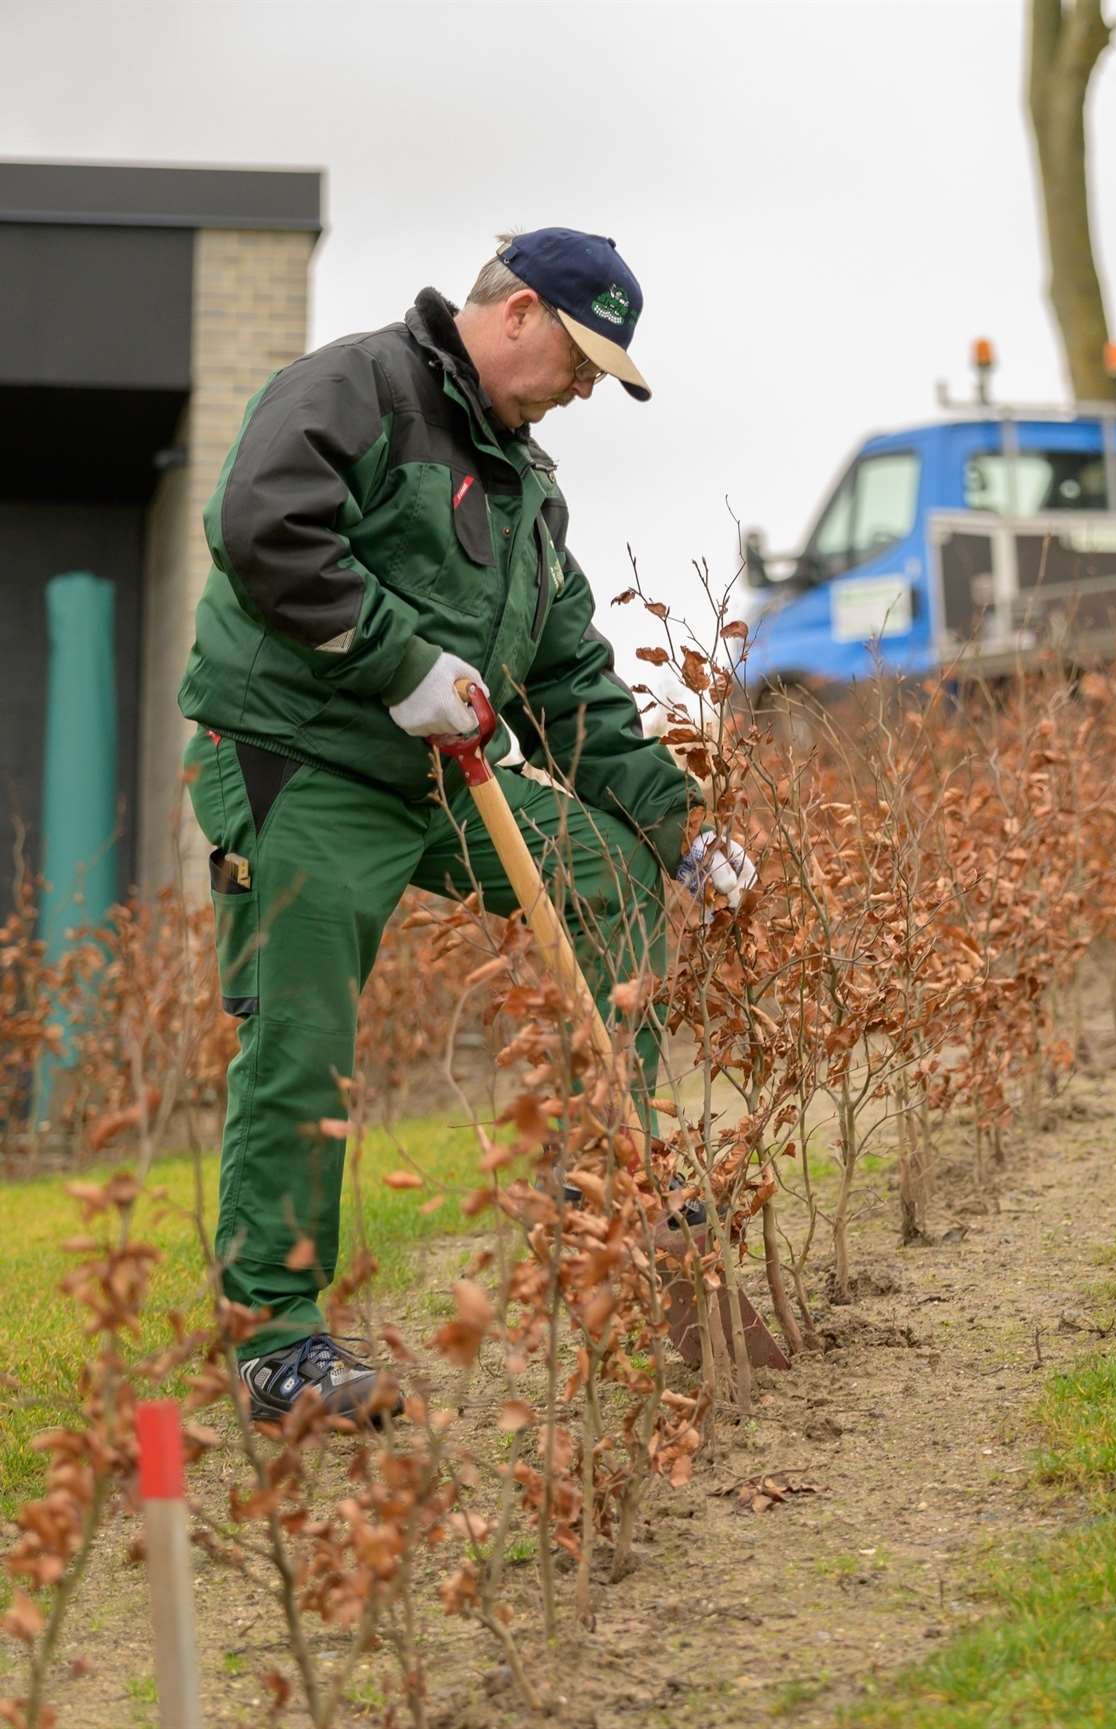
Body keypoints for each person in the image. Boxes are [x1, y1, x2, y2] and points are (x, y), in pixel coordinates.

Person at [178, 228, 755, 1422]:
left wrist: (677, 824)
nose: (588, 388)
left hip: (436, 774)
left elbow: (570, 683)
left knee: (606, 875)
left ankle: (607, 1188)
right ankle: (278, 1344)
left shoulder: (529, 486)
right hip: (301, 756)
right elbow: (262, 528)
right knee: (306, 1036)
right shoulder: (360, 385)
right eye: (585, 359)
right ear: (520, 312)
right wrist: (397, 663)